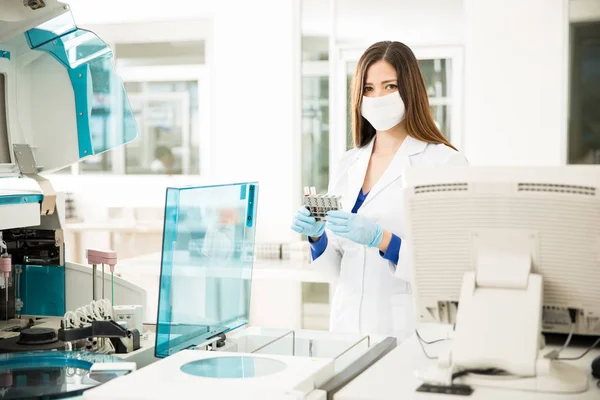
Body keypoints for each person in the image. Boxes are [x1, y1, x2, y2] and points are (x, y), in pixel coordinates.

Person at [291, 41, 467, 341]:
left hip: (406, 331)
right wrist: (317, 237)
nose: (377, 97)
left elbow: (452, 267)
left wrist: (384, 240)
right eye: (368, 88)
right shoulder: (348, 163)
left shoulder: (444, 162)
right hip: (346, 328)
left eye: (390, 86)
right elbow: (336, 267)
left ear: (410, 90)